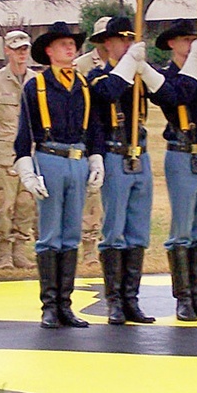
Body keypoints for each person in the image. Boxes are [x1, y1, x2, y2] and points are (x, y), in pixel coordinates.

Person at [14, 21, 104, 329]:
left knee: (71, 235)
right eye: (63, 44)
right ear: (49, 51)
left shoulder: (83, 84)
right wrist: (27, 169)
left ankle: (65, 304)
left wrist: (96, 159)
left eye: (72, 43)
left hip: (76, 159)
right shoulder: (35, 86)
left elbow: (94, 128)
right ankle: (49, 306)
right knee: (50, 234)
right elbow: (24, 133)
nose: (71, 48)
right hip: (50, 158)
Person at [150, 20, 197, 321]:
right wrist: (194, 61)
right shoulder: (165, 76)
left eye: (195, 39)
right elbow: (177, 95)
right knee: (182, 230)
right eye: (185, 40)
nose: (192, 44)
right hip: (181, 153)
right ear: (171, 44)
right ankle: (182, 299)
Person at [86, 16, 159, 325]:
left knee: (138, 230)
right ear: (107, 43)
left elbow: (170, 95)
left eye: (131, 40)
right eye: (122, 40)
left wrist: (146, 69)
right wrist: (130, 63)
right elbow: (109, 91)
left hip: (139, 154)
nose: (128, 45)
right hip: (115, 153)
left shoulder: (138, 75)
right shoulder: (98, 75)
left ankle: (131, 299)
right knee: (114, 229)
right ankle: (114, 299)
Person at [0, 30, 36, 269]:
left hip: (31, 155)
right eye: (17, 49)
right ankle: (4, 252)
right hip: (3, 154)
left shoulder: (36, 81)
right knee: (3, 205)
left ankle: (20, 250)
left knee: (26, 205)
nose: (21, 53)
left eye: (25, 49)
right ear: (7, 51)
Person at [74, 16, 110, 268]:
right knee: (92, 196)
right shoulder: (82, 65)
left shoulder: (126, 63)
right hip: (91, 136)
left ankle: (112, 242)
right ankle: (89, 247)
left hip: (118, 137)